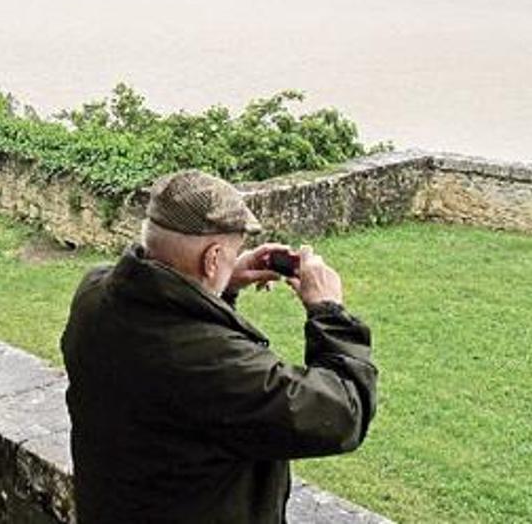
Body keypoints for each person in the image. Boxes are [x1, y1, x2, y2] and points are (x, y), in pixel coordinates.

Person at [61, 170, 378, 524]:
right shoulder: (209, 363)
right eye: (231, 253)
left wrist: (221, 285)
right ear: (212, 258)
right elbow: (341, 414)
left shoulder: (96, 293)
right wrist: (328, 311)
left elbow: (173, 339)